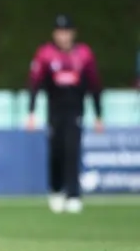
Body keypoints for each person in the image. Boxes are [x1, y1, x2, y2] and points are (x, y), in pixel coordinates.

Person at [27, 14, 103, 214]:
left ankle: (74, 195)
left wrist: (98, 115)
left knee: (72, 151)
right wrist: (31, 112)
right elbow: (35, 84)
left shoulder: (84, 54)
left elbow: (94, 85)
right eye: (60, 32)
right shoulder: (45, 54)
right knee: (57, 152)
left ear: (73, 33)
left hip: (76, 111)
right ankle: (56, 190)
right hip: (54, 113)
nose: (64, 37)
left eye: (67, 32)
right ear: (54, 34)